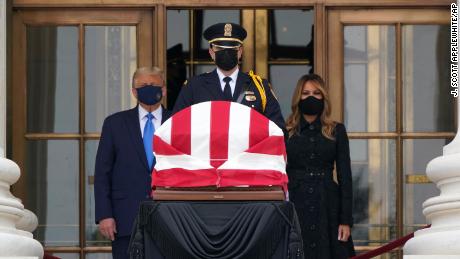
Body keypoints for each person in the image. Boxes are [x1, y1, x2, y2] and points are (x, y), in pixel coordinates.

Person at [94, 67, 171, 259]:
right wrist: (105, 215)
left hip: (171, 220)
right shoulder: (114, 124)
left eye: (154, 84)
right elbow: (103, 173)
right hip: (125, 219)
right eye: (144, 85)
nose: (149, 88)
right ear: (134, 91)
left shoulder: (177, 121)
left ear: (163, 90)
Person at [285, 74, 355, 258]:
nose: (311, 97)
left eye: (317, 93)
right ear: (298, 97)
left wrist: (345, 220)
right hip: (295, 204)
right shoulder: (286, 131)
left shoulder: (336, 130)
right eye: (305, 93)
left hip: (328, 206)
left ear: (323, 97)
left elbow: (345, 177)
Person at [172, 22, 285, 130]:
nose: (226, 52)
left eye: (232, 49)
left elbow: (278, 130)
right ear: (211, 52)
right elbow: (176, 127)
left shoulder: (260, 87)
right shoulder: (194, 86)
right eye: (220, 49)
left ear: (240, 51)